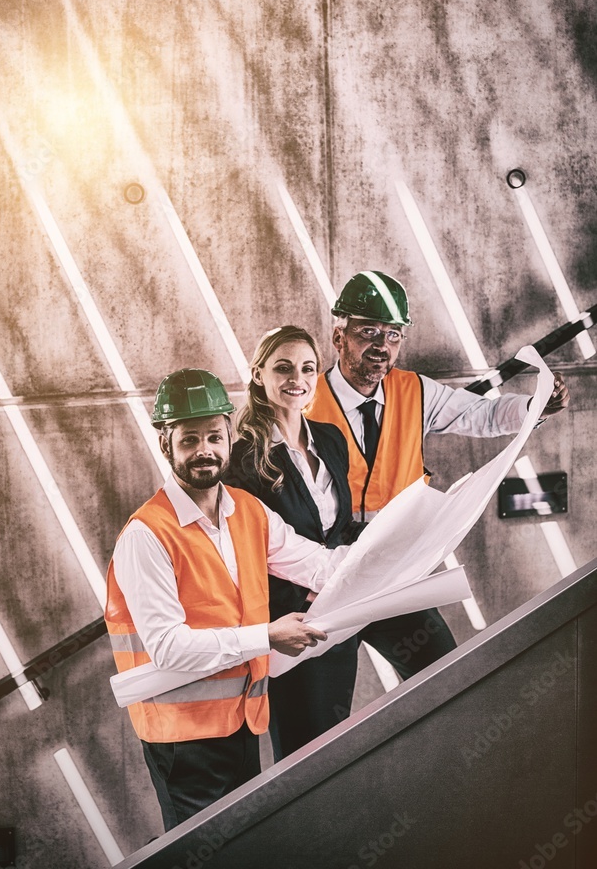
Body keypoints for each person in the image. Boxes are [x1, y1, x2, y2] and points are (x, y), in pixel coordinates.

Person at [105, 368, 354, 831]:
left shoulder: (248, 511)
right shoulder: (146, 535)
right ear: (166, 444)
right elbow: (169, 648)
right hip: (182, 739)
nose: (205, 450)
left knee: (245, 847)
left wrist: (397, 554)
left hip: (240, 722)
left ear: (228, 437)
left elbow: (317, 564)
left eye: (214, 437)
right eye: (189, 439)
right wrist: (268, 636)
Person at [304, 269, 570, 680]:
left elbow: (480, 415)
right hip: (324, 571)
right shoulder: (303, 402)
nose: (381, 346)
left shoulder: (416, 391)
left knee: (441, 679)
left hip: (394, 562)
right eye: (368, 332)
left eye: (393, 335)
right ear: (339, 337)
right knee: (319, 701)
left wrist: (536, 406)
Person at [225, 325, 365, 760]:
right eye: (282, 368)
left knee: (334, 740)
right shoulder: (243, 456)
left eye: (307, 368)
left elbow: (339, 527)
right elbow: (247, 547)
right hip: (289, 623)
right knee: (303, 752)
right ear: (258, 374)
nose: (297, 379)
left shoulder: (331, 438)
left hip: (337, 615)